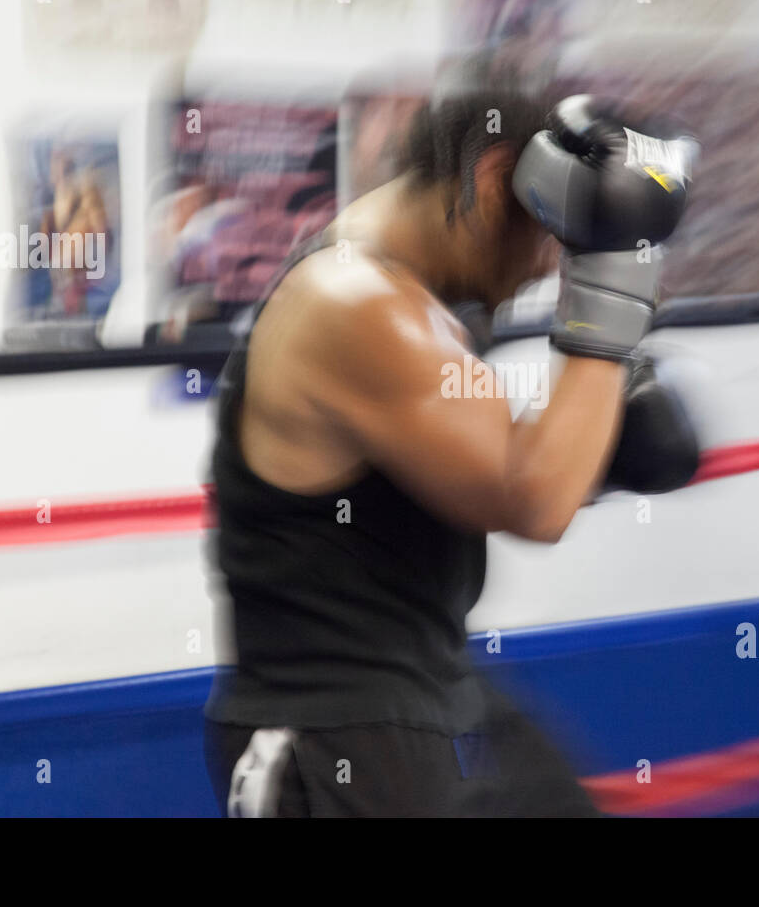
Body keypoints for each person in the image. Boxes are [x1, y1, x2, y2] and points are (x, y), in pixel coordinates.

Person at [203, 63, 698, 817]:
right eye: (552, 239)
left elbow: (484, 468)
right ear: (496, 177)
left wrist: (597, 445)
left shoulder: (421, 294)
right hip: (328, 730)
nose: (546, 271)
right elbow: (535, 502)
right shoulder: (355, 302)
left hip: (430, 694)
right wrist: (609, 295)